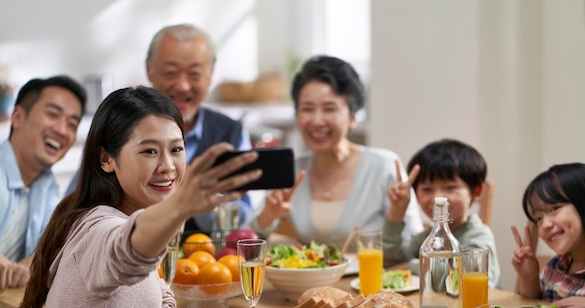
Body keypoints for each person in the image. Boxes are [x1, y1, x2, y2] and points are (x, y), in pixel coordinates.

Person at [18, 85, 261, 308]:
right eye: (149, 152)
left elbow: (163, 301)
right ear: (106, 159)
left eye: (176, 149)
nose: (167, 166)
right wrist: (179, 207)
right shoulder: (98, 230)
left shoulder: (103, 216)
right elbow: (126, 254)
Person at [68, 23, 253, 236]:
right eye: (171, 72)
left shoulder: (231, 133)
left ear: (211, 74)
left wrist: (199, 200)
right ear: (149, 69)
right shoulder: (119, 126)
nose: (183, 86)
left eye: (194, 74)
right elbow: (76, 205)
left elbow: (242, 219)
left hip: (205, 262)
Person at [247, 55, 423, 253]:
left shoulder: (385, 166)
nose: (317, 120)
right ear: (297, 116)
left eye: (329, 109)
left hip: (370, 283)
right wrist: (268, 216)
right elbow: (242, 244)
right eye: (307, 109)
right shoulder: (292, 169)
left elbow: (415, 248)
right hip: (310, 285)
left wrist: (397, 215)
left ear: (353, 117)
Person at [0, 75, 86, 299]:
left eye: (72, 124)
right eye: (53, 114)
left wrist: (33, 262)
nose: (62, 130)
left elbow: (55, 242)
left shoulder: (47, 189)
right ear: (17, 117)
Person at [383, 138, 501, 288]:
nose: (437, 198)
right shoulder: (428, 236)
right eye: (427, 189)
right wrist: (397, 211)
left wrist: (410, 266)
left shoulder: (479, 236)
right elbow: (390, 262)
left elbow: (461, 282)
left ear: (476, 190)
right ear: (416, 194)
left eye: (450, 187)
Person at [511, 163, 585, 308]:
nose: (545, 224)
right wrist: (529, 278)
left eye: (554, 208)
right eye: (538, 218)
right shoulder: (554, 267)